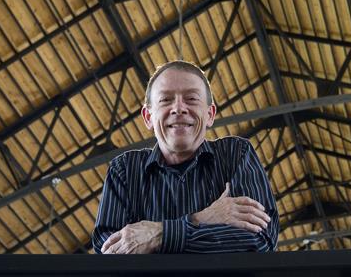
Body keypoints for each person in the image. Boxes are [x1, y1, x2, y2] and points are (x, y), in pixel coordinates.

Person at [92, 60, 279, 253]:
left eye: (191, 99)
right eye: (165, 100)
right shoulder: (124, 170)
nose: (179, 108)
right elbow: (110, 251)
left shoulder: (235, 154)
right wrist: (202, 218)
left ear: (210, 114)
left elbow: (259, 240)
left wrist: (159, 234)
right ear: (148, 117)